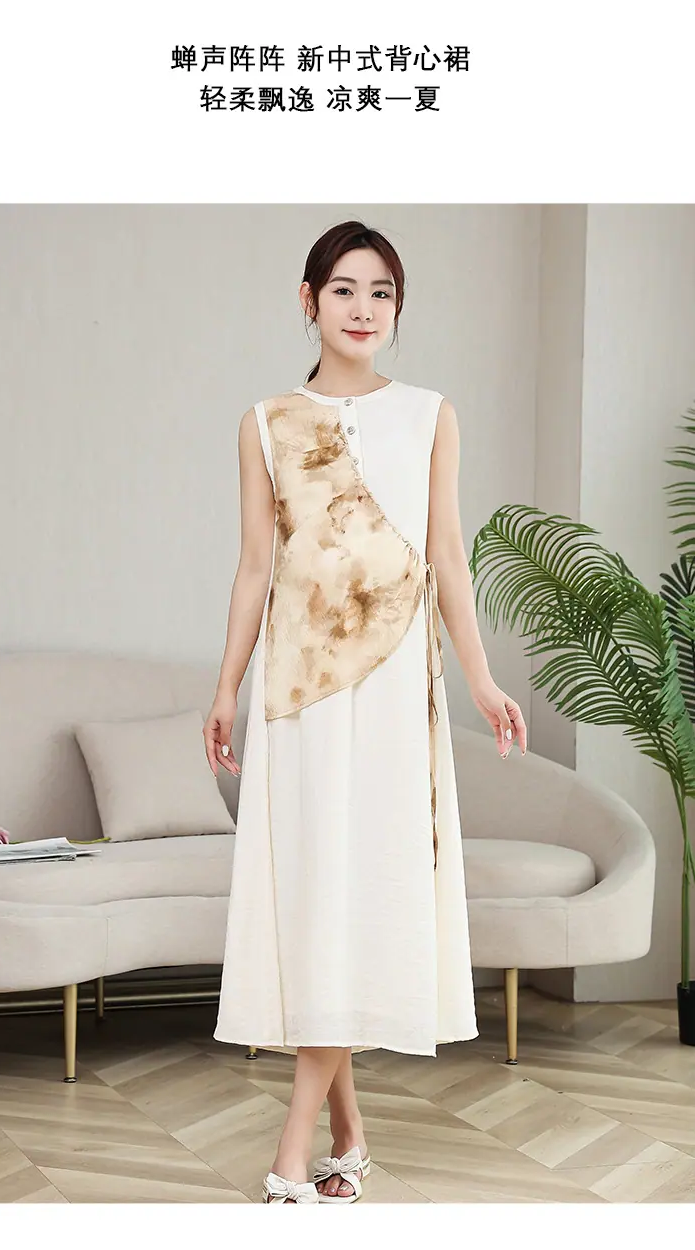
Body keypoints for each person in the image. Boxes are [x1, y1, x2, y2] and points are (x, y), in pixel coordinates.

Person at [203, 219, 527, 1204]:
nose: (362, 308)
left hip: (393, 692)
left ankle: (294, 1146)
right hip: (297, 695)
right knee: (316, 900)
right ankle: (348, 1134)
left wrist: (480, 679)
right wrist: (225, 686)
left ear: (397, 308)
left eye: (381, 291)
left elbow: (448, 558)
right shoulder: (265, 422)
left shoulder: (431, 415)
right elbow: (255, 569)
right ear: (309, 301)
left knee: (357, 891)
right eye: (343, 289)